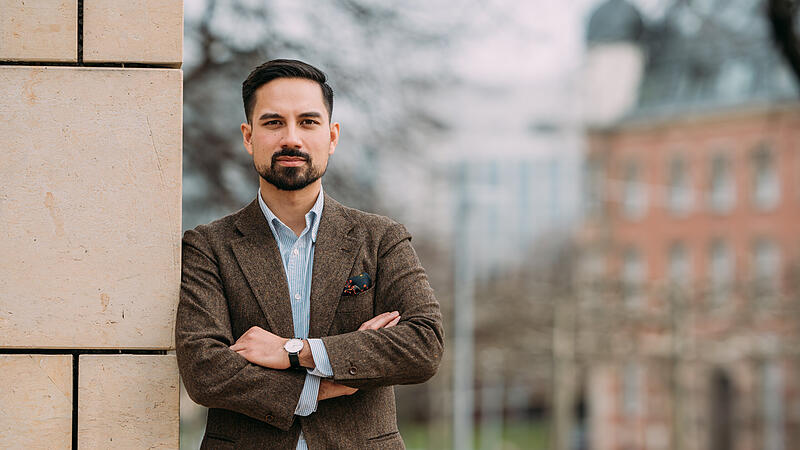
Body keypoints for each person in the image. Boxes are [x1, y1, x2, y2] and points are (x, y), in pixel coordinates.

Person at [175, 59, 444, 449]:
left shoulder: (381, 238)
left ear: (332, 136)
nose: (291, 139)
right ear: (248, 136)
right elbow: (205, 370)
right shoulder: (208, 247)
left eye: (308, 122)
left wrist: (295, 352)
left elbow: (424, 344)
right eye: (273, 123)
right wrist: (325, 386)